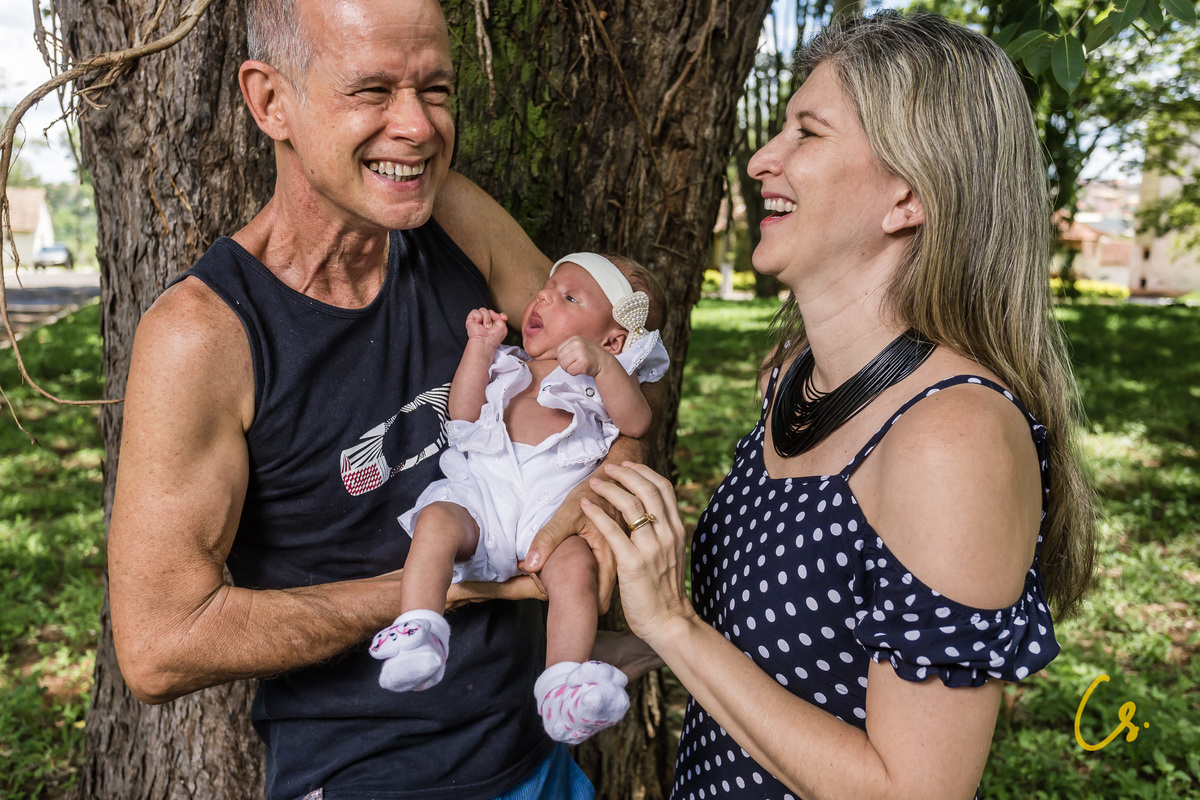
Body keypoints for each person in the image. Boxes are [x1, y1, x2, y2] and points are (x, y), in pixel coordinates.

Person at [106, 1, 647, 798]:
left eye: (435, 89)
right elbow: (159, 646)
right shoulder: (205, 338)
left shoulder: (458, 221)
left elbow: (619, 368)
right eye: (371, 90)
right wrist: (456, 585)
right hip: (370, 780)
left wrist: (593, 508)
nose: (418, 127)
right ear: (269, 102)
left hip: (540, 753)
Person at [584, 11, 1097, 800]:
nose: (761, 159)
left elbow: (911, 790)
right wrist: (569, 660)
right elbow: (790, 640)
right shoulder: (793, 381)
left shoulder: (952, 437)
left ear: (909, 197)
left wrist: (671, 625)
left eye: (808, 133)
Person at [370, 253, 668, 745]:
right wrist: (480, 350)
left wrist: (606, 368)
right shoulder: (507, 365)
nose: (545, 295)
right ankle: (418, 629)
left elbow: (636, 424)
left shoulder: (601, 384)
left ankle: (562, 685)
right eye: (548, 286)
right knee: (436, 523)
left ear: (613, 340)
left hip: (549, 519)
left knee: (577, 570)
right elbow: (462, 417)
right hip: (482, 501)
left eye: (570, 296)